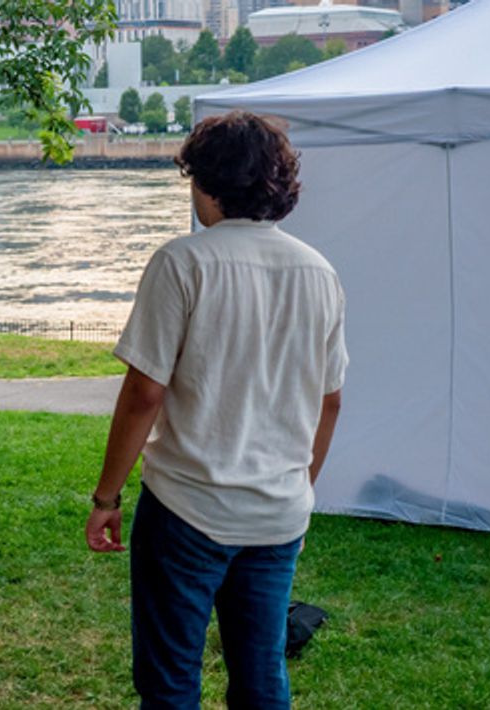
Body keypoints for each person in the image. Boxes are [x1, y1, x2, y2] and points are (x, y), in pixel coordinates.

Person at [84, 112, 347, 709]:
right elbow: (330, 400)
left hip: (187, 505)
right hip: (278, 512)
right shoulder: (319, 272)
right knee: (261, 679)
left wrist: (106, 498)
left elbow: (144, 393)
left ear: (206, 182)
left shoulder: (182, 262)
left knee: (171, 679)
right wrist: (299, 487)